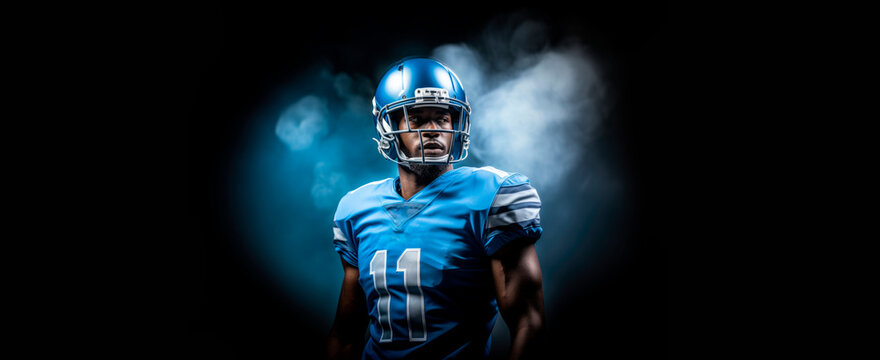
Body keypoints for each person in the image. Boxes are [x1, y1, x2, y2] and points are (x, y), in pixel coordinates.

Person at [326, 57, 545, 359]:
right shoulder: (356, 208)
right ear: (389, 127)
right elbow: (346, 335)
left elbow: (527, 323)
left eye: (443, 118)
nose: (433, 129)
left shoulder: (492, 196)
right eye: (416, 118)